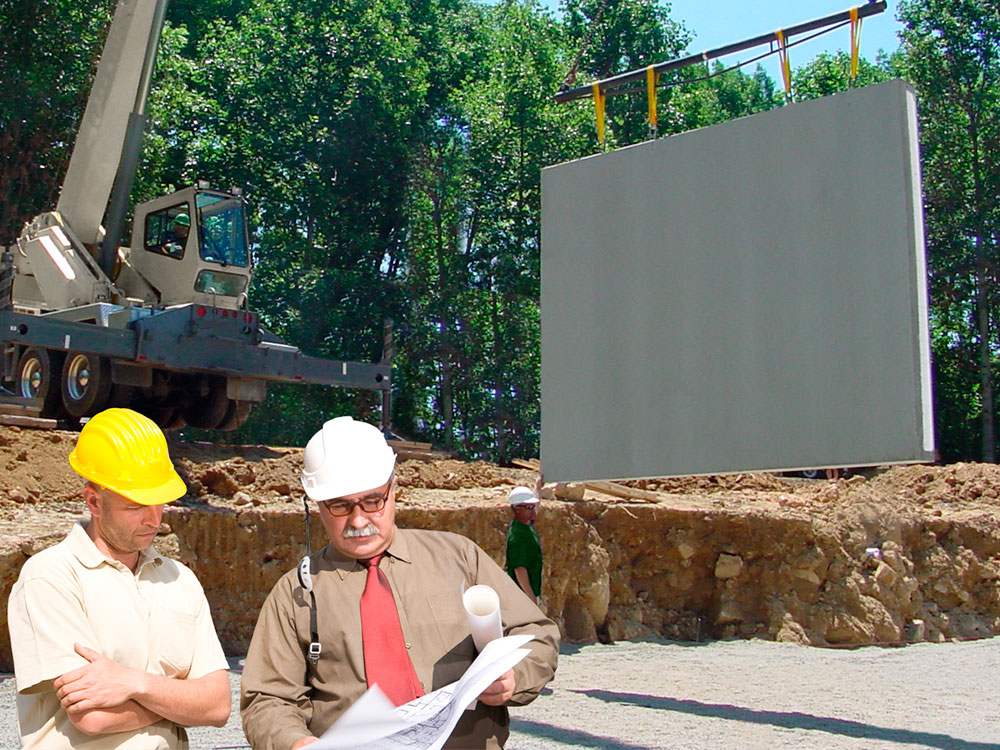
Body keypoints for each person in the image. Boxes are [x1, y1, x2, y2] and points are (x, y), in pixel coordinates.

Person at [240, 416, 559, 750]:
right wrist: (296, 743)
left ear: (394, 491)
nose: (358, 519)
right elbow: (267, 698)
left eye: (372, 500)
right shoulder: (296, 595)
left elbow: (536, 633)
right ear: (318, 506)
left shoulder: (459, 558)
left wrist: (514, 678)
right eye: (340, 506)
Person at [7, 408, 231, 749]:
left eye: (159, 502)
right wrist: (183, 701)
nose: (152, 519)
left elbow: (218, 706)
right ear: (93, 501)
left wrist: (133, 683)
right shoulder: (50, 577)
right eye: (135, 506)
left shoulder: (179, 579)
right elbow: (94, 717)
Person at [505, 486, 543, 606]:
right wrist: (531, 599)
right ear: (517, 509)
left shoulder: (526, 526)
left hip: (526, 594)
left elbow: (536, 507)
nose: (533, 510)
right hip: (521, 597)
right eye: (529, 507)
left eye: (533, 506)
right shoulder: (517, 535)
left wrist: (538, 487)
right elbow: (519, 569)